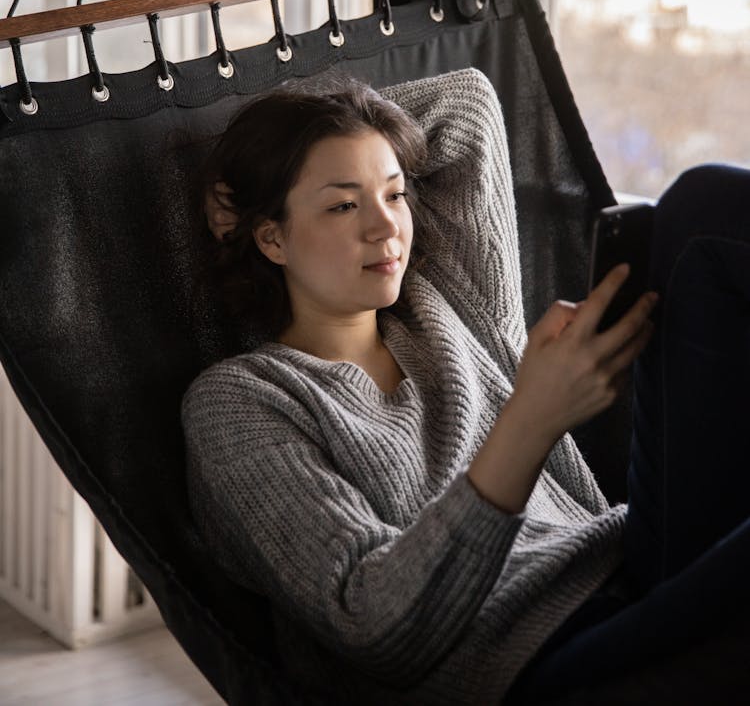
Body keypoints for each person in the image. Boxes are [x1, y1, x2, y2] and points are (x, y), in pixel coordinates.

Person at [182, 67, 750, 704]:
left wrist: (323, 141)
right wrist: (531, 421)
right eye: (343, 205)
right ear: (271, 237)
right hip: (528, 666)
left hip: (634, 564)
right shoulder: (241, 403)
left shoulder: (448, 302)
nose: (384, 227)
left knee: (704, 207)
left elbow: (466, 106)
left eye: (394, 194)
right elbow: (373, 625)